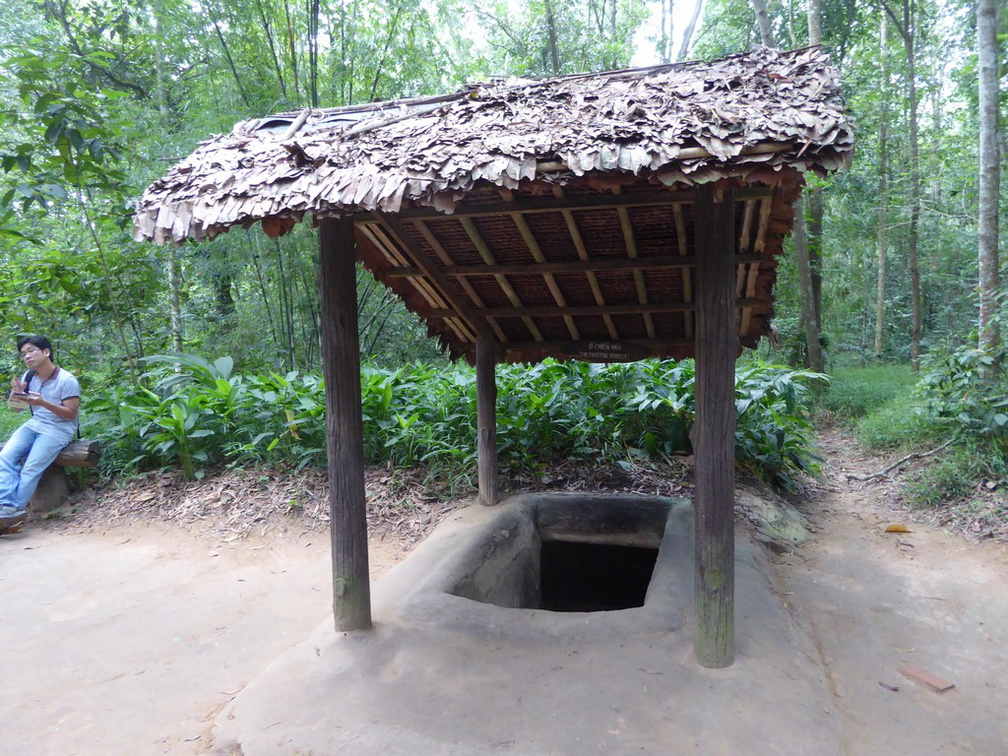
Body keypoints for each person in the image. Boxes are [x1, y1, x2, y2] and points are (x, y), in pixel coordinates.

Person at [0, 335, 80, 528]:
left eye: (31, 351)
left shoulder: (67, 380)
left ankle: (8, 514)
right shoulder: (29, 376)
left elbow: (70, 414)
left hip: (59, 429)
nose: (27, 356)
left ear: (46, 352)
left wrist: (43, 402)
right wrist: (16, 395)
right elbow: (17, 408)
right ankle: (6, 508)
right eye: (23, 353)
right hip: (35, 424)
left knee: (31, 467)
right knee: (5, 456)